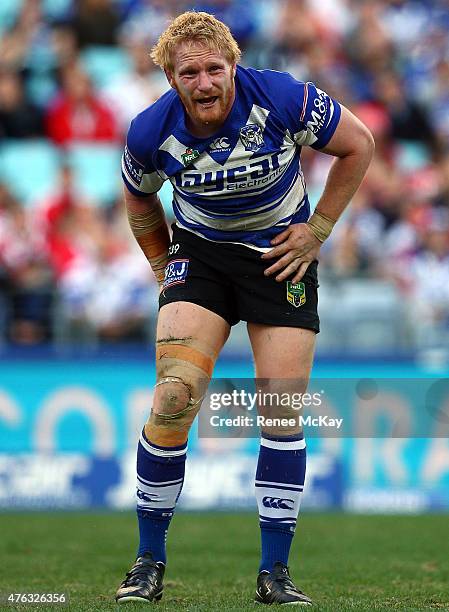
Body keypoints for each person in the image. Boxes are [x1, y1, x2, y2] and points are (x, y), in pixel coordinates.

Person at [116, 11, 374, 606]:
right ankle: (147, 562)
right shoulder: (148, 131)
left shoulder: (283, 96)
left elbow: (358, 145)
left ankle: (274, 574)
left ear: (233, 65)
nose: (204, 83)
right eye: (189, 73)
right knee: (173, 396)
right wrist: (164, 269)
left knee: (281, 411)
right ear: (170, 78)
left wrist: (319, 229)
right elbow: (137, 199)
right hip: (201, 257)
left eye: (214, 68)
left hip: (280, 253)